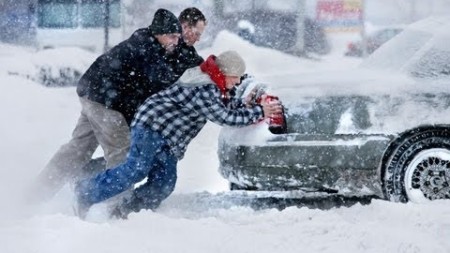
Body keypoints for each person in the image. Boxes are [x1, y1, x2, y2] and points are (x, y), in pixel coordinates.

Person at [74, 51, 283, 219]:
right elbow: (223, 116)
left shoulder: (215, 83)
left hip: (169, 138)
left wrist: (249, 106)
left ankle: (128, 212)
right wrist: (260, 112)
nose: (237, 83)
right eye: (235, 78)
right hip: (151, 126)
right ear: (226, 73)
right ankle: (84, 192)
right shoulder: (204, 86)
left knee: (164, 183)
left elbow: (225, 104)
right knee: (135, 170)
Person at [33, 8, 207, 201]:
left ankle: (38, 193)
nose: (197, 38)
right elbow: (159, 78)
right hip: (106, 101)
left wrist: (212, 72)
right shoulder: (147, 46)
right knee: (122, 152)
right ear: (183, 27)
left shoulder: (166, 45)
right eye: (196, 33)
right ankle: (114, 205)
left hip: (94, 93)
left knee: (78, 149)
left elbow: (190, 64)